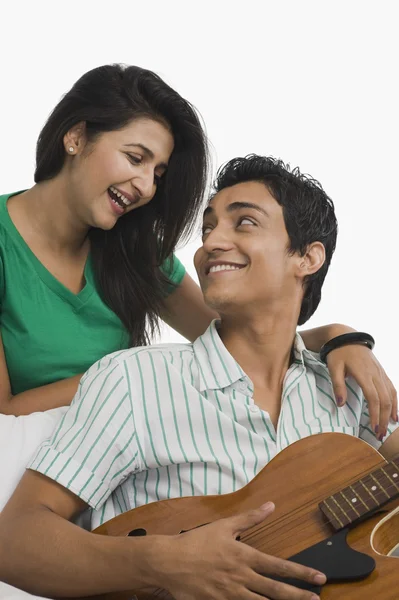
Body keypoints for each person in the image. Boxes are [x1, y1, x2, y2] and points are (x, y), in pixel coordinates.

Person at [1, 154, 398, 600]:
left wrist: (346, 338)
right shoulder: (135, 380)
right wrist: (163, 562)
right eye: (208, 228)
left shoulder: (348, 389)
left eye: (244, 222)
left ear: (307, 257)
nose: (211, 243)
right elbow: (15, 541)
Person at [0, 63, 397, 431]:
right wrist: (127, 376)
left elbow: (236, 342)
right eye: (135, 158)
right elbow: (4, 412)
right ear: (76, 137)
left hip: (114, 461)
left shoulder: (136, 254)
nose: (146, 186)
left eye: (158, 173)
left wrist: (337, 337)